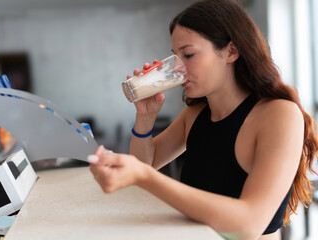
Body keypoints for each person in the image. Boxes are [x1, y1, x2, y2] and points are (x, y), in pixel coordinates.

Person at [88, 0, 318, 239]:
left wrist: (146, 178)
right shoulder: (195, 113)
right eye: (176, 57)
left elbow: (248, 225)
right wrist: (145, 117)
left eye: (188, 54)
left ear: (231, 51)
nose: (178, 69)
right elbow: (145, 164)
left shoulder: (279, 114)